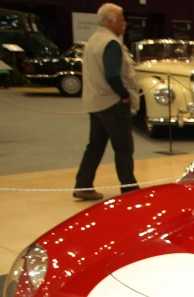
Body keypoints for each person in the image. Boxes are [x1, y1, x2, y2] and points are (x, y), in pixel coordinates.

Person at [73, 3, 139, 201]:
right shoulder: (111, 43)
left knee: (95, 145)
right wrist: (123, 94)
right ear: (110, 22)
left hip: (95, 102)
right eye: (121, 19)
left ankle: (83, 184)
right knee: (124, 147)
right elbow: (112, 74)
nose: (125, 23)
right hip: (112, 103)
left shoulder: (93, 40)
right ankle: (129, 188)